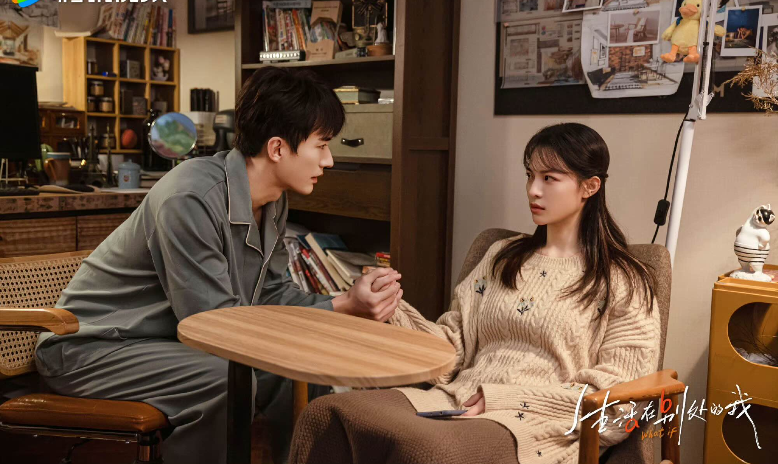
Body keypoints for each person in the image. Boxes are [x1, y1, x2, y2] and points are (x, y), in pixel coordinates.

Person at [34, 66, 404, 464]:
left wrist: (345, 303)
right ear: (278, 149)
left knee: (301, 368)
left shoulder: (272, 200)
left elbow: (270, 293)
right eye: (322, 145)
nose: (328, 160)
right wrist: (335, 313)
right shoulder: (190, 196)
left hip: (164, 343)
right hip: (92, 348)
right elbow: (212, 326)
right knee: (223, 376)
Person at [290, 123, 661, 464]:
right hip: (453, 400)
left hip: (537, 425)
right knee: (325, 415)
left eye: (550, 178)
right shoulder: (502, 255)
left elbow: (619, 397)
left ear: (589, 187)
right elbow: (453, 345)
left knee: (426, 451)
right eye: (530, 175)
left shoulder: (624, 280)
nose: (533, 190)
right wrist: (391, 307)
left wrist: (504, 399)